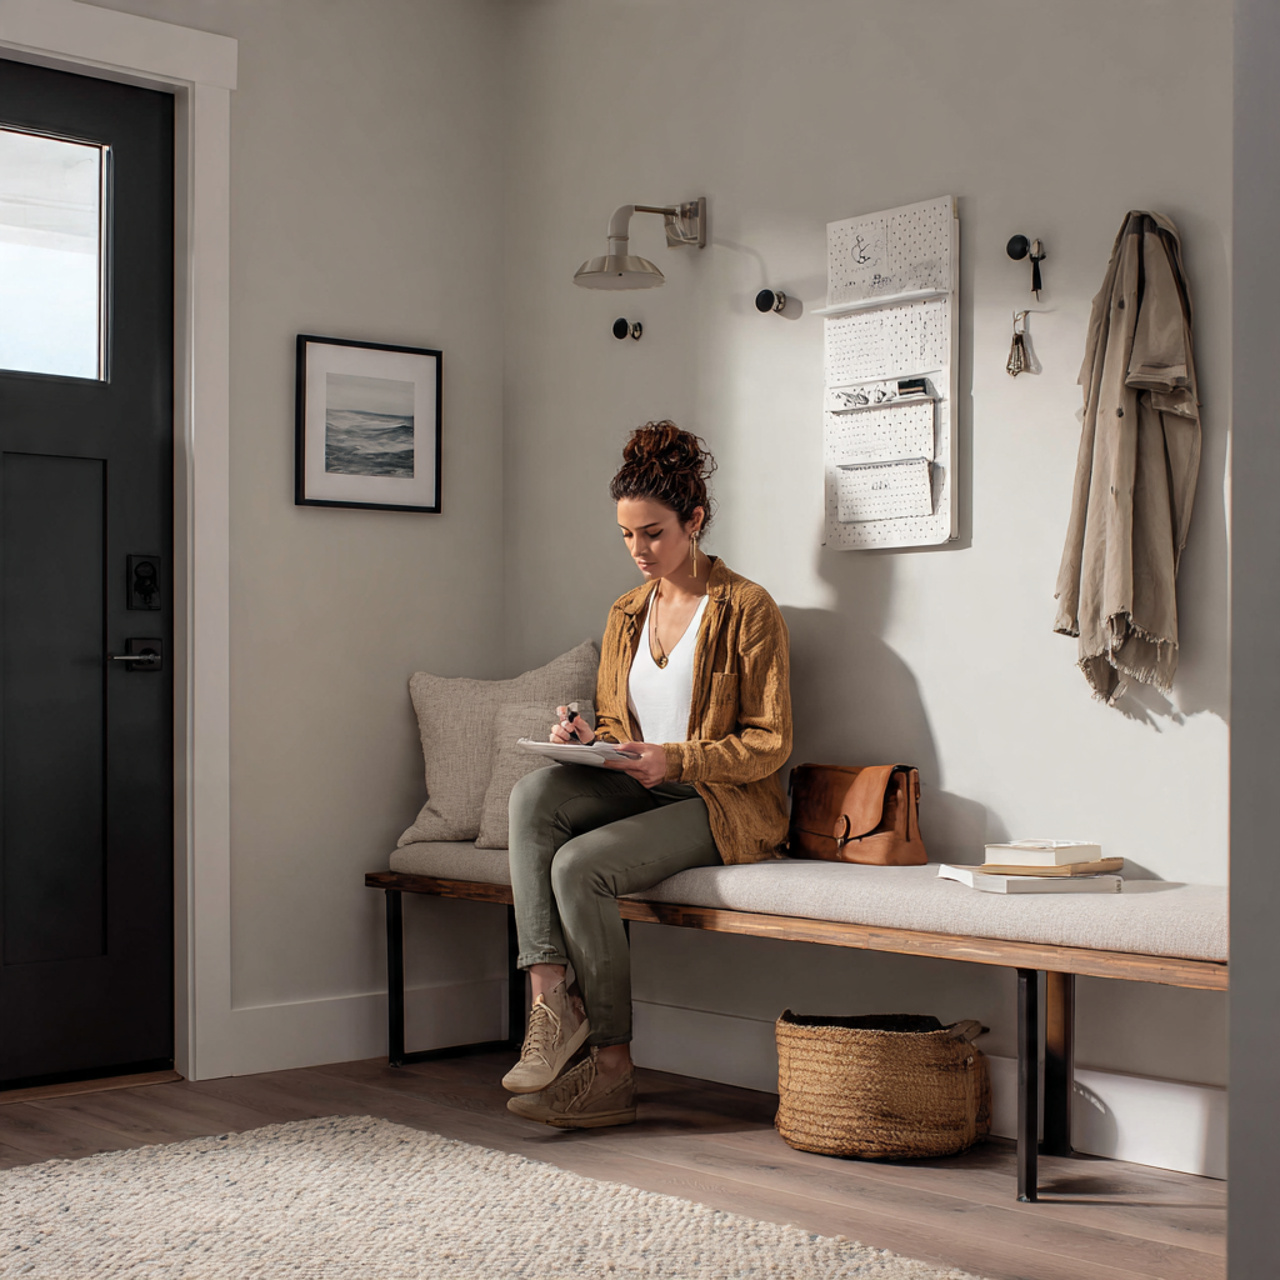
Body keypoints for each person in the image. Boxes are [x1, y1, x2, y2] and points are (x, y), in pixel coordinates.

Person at [503, 420, 793, 1129]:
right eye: (628, 535)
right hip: (643, 782)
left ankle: (612, 1069)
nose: (639, 550)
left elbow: (771, 741)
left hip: (724, 802)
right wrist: (587, 738)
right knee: (533, 795)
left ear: (694, 521)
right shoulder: (626, 613)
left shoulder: (747, 608)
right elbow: (617, 723)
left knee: (579, 867)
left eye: (654, 533)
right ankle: (551, 1004)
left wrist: (679, 758)